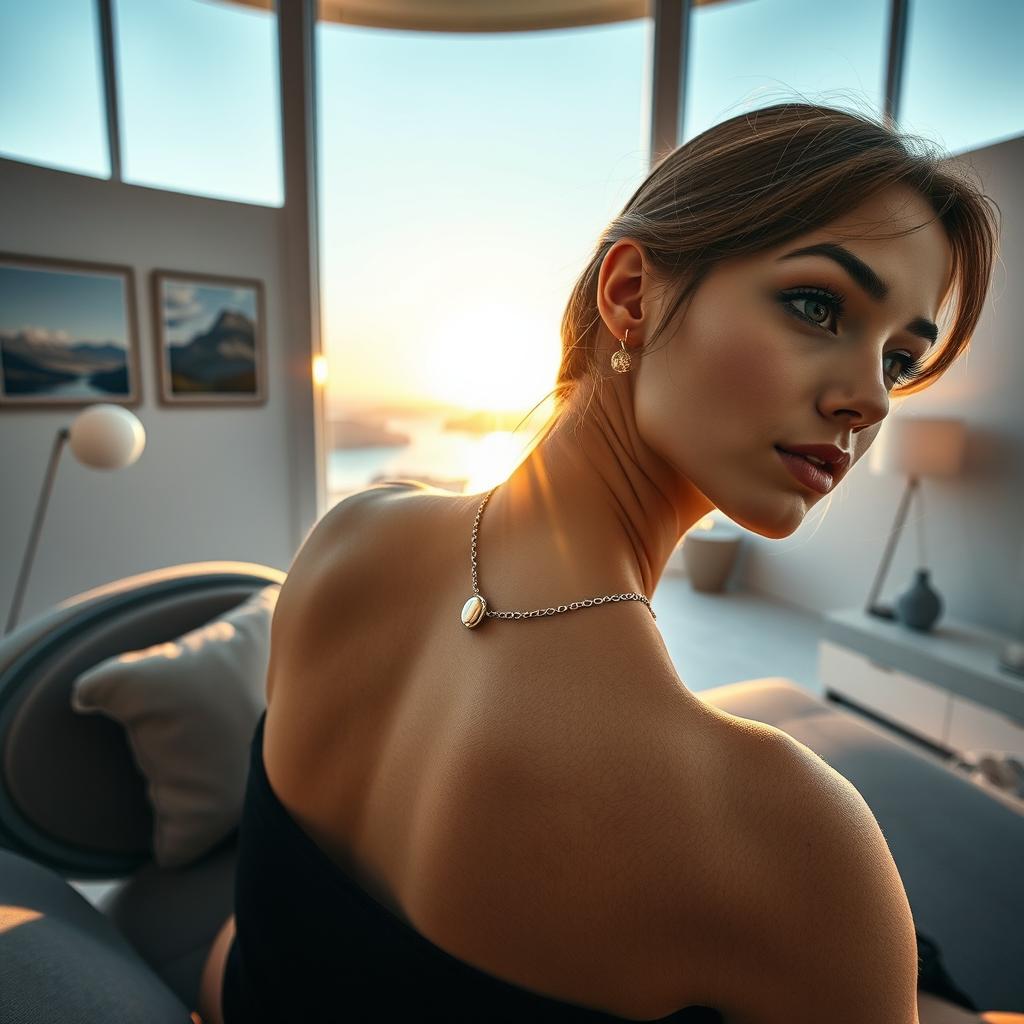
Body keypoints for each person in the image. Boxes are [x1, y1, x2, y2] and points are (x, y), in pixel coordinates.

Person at [196, 101, 1009, 1022]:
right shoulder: (790, 839)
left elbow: (260, 940)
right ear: (632, 296)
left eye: (901, 360)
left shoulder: (348, 542)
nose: (870, 399)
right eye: (818, 305)